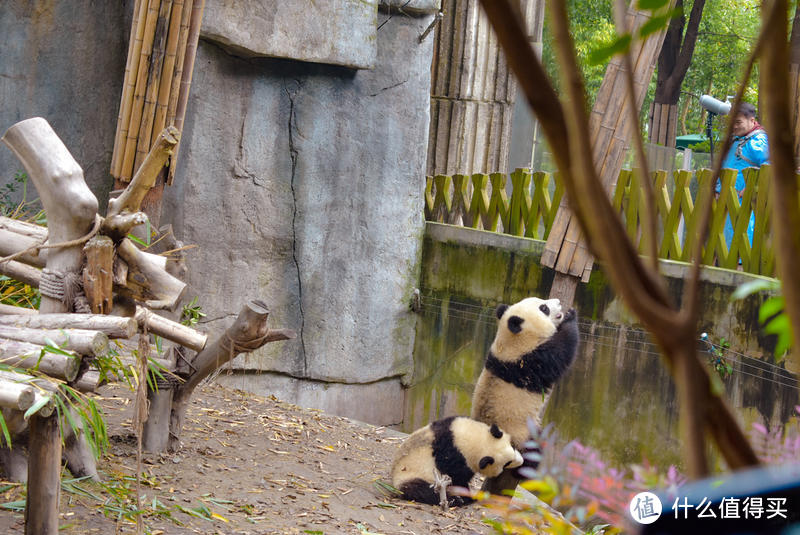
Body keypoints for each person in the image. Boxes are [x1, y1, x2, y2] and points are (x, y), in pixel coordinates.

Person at [718, 102, 769, 249]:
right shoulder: (736, 140)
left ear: (752, 120)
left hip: (744, 201)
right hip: (726, 199)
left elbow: (769, 164)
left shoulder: (758, 141)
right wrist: (718, 188)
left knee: (743, 235)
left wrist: (753, 186)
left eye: (738, 122)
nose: (734, 126)